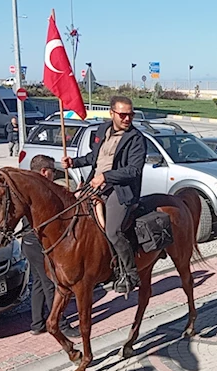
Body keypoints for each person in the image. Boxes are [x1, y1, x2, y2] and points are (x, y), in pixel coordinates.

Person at [61, 96, 146, 294]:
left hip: (121, 189)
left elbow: (134, 170)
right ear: (112, 113)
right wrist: (74, 162)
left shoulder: (136, 138)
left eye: (130, 115)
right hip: (95, 185)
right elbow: (95, 157)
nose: (127, 118)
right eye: (123, 114)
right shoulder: (102, 130)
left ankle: (130, 273)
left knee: (113, 231)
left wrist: (106, 177)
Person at [22, 155, 79, 337]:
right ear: (44, 172)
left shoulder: (27, 187)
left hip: (27, 242)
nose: (54, 176)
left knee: (38, 282)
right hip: (38, 242)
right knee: (51, 283)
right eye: (53, 172)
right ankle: (60, 324)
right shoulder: (39, 190)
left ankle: (37, 323)